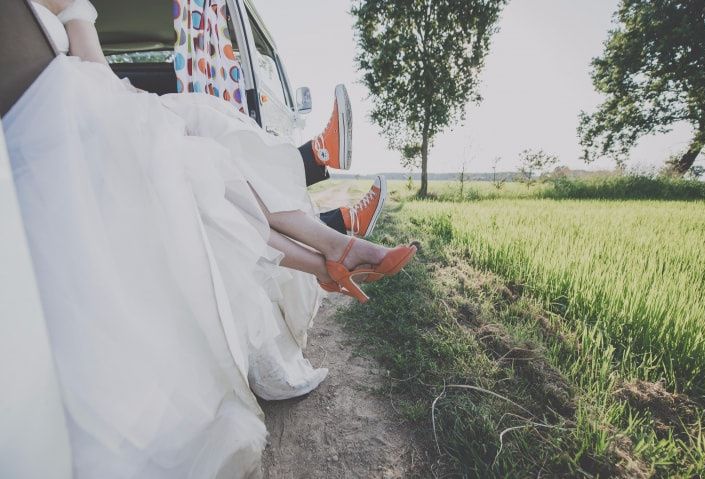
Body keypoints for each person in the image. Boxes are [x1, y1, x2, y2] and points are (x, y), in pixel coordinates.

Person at [7, 1, 416, 477]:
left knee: (198, 159)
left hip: (65, 126)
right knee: (196, 148)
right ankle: (332, 233)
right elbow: (94, 74)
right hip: (75, 127)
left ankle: (332, 243)